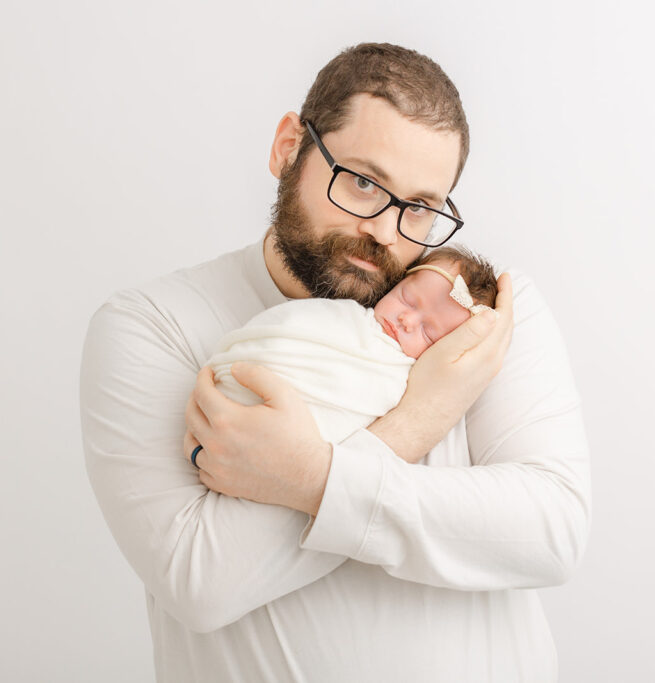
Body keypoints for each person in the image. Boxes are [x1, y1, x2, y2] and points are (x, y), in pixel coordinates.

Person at [81, 42, 590, 682]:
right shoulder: (154, 325)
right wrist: (413, 424)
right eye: (362, 182)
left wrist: (311, 477)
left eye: (420, 207)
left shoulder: (479, 314)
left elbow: (551, 532)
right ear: (288, 148)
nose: (385, 231)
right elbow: (199, 581)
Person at [201, 247, 497, 460]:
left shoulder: (405, 380)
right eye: (407, 299)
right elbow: (291, 327)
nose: (407, 320)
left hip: (288, 443)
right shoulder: (346, 314)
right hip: (239, 385)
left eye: (428, 332)